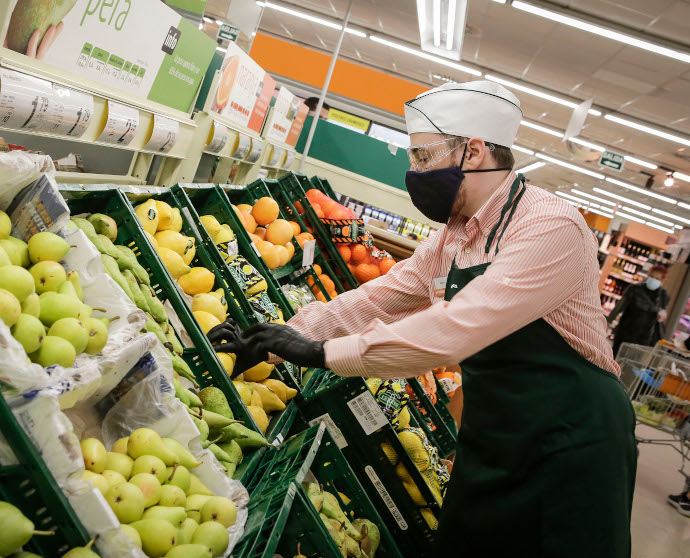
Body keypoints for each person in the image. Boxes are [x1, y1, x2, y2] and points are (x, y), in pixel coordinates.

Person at [209, 81, 637, 557]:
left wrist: (323, 354)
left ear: (472, 152)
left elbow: (459, 328)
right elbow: (375, 299)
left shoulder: (550, 226)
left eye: (422, 157)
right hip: (494, 433)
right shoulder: (452, 238)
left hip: (572, 444)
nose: (413, 173)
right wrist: (281, 335)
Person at [607, 265, 669, 357]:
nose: (653, 280)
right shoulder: (635, 288)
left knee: (633, 360)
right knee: (616, 356)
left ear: (662, 281)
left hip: (645, 336)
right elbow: (620, 306)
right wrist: (608, 321)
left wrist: (662, 314)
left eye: (657, 278)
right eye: (651, 277)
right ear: (647, 276)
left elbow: (662, 312)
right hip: (626, 330)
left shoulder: (664, 295)